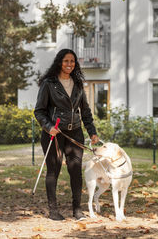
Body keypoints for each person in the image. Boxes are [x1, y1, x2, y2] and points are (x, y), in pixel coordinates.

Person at [34, 49, 99, 221]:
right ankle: (53, 210)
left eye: (72, 61)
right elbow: (39, 111)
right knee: (53, 170)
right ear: (59, 62)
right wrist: (48, 127)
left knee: (76, 170)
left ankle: (77, 210)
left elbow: (85, 111)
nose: (69, 64)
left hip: (75, 133)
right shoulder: (49, 84)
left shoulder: (77, 84)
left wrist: (92, 132)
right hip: (54, 134)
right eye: (66, 61)